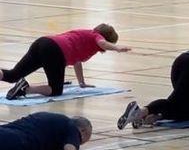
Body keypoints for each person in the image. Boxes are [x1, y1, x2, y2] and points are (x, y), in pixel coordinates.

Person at [2, 24, 130, 100]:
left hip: (43, 42)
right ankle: (26, 89)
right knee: (56, 90)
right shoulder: (96, 37)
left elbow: (77, 61)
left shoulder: (84, 35)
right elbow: (102, 43)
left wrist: (81, 82)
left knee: (13, 75)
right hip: (55, 51)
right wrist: (117, 48)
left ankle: (18, 84)